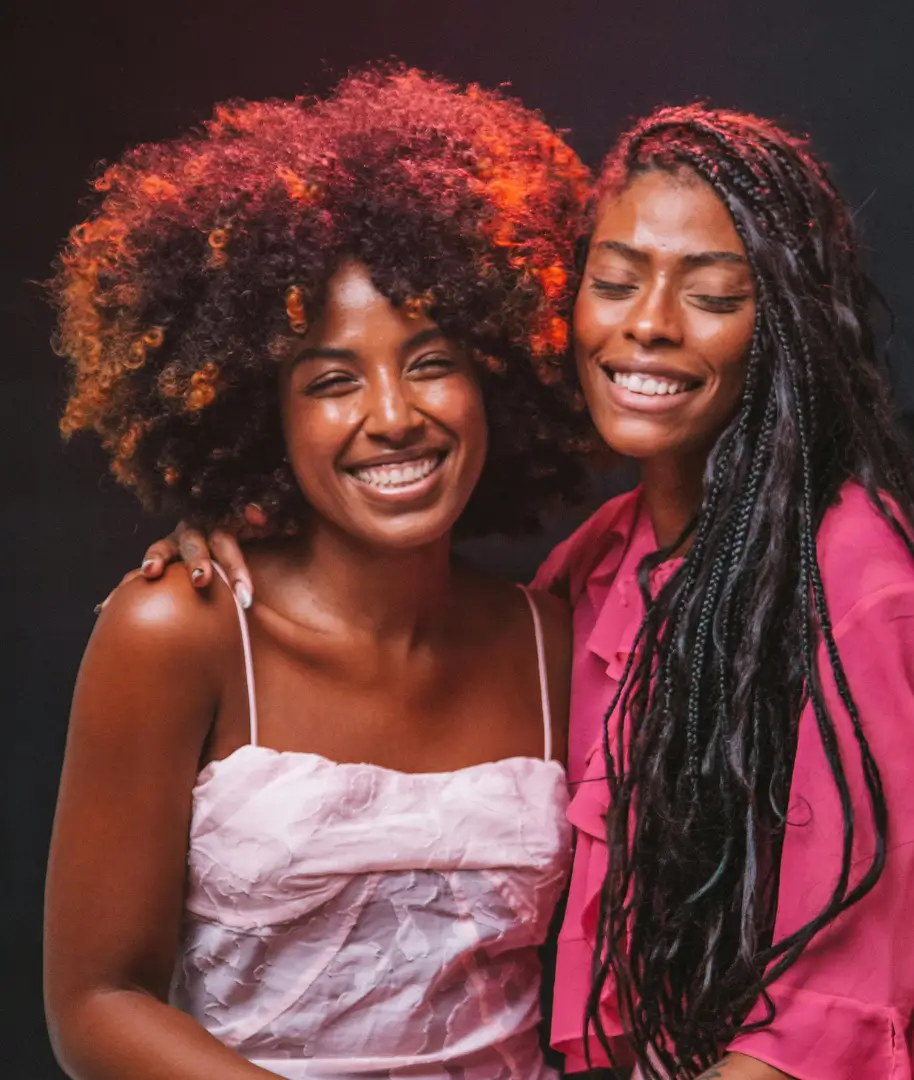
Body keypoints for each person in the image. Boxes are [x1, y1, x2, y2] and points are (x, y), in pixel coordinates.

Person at [129, 105, 914, 1079]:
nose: (646, 323)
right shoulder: (594, 570)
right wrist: (249, 520)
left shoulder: (864, 575)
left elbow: (820, 1029)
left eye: (713, 294)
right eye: (612, 283)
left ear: (786, 325)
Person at [44, 67, 593, 1080]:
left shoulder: (558, 642)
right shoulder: (185, 628)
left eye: (431, 361)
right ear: (265, 416)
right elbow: (96, 1005)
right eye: (332, 379)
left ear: (500, 379)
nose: (393, 413)